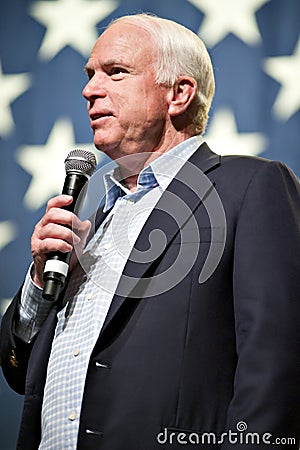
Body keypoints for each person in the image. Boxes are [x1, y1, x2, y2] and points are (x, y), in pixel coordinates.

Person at [0, 13, 299, 450]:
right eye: (89, 75)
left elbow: (278, 366)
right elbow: (16, 371)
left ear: (179, 94)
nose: (89, 90)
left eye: (115, 72)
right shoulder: (94, 224)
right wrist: (38, 282)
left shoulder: (250, 187)